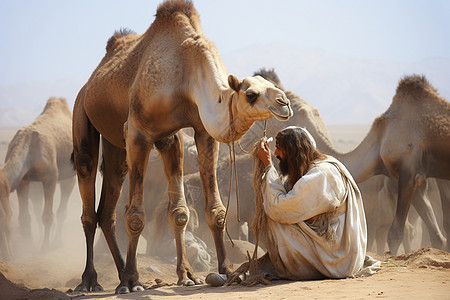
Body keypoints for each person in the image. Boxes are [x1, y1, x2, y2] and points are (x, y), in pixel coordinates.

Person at [206, 126, 379, 286]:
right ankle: (262, 269)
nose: (276, 154)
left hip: (337, 259)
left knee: (275, 216)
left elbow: (279, 207)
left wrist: (267, 165)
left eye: (279, 148)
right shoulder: (319, 168)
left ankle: (272, 270)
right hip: (340, 254)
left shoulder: (322, 175)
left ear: (293, 151)